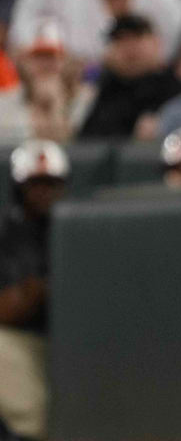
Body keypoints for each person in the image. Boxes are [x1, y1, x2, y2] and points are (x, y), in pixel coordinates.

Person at [0, 140, 69, 441]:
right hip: (19, 340)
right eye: (35, 184)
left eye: (51, 183)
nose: (44, 192)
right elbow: (5, 310)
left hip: (71, 340)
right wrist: (40, 289)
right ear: (19, 188)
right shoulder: (5, 234)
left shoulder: (77, 228)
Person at [78, 15, 181, 139]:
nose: (129, 47)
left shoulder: (176, 83)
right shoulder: (98, 87)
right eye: (120, 39)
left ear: (156, 42)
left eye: (137, 37)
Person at [0, 23, 95, 145]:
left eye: (52, 57)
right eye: (37, 57)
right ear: (23, 63)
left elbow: (69, 149)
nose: (45, 64)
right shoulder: (6, 101)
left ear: (66, 62)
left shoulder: (85, 99)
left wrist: (57, 104)